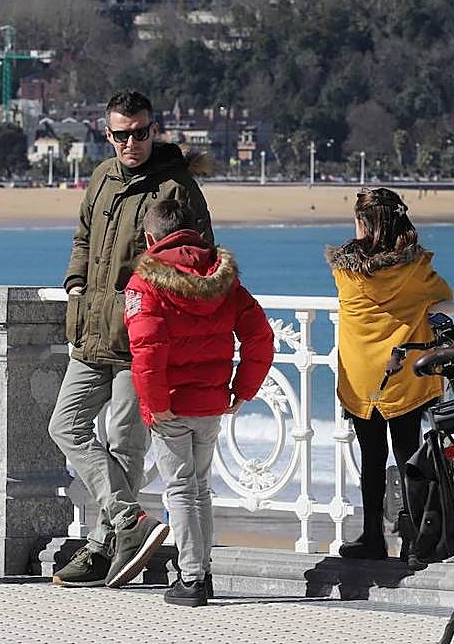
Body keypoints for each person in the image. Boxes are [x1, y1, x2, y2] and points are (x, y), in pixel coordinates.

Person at [48, 90, 214, 589]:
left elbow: (199, 260)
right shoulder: (101, 176)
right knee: (64, 425)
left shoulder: (177, 187)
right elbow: (83, 237)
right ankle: (129, 521)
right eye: (121, 135)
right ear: (108, 134)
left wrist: (154, 307)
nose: (131, 143)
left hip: (139, 340)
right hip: (90, 331)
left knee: (125, 443)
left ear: (153, 130)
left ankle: (103, 548)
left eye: (140, 133)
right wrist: (75, 284)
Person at [124, 200, 274, 606]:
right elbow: (260, 336)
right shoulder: (222, 277)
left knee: (180, 489)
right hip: (210, 400)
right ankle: (202, 573)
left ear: (151, 238)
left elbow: (146, 351)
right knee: (199, 488)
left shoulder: (145, 283)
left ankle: (190, 578)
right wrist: (242, 390)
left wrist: (155, 403)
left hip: (171, 404)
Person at [326, 187, 452, 560]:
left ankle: (372, 536)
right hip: (403, 374)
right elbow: (444, 293)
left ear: (363, 224)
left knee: (372, 457)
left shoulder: (344, 272)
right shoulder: (416, 270)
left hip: (362, 376)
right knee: (409, 452)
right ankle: (414, 539)